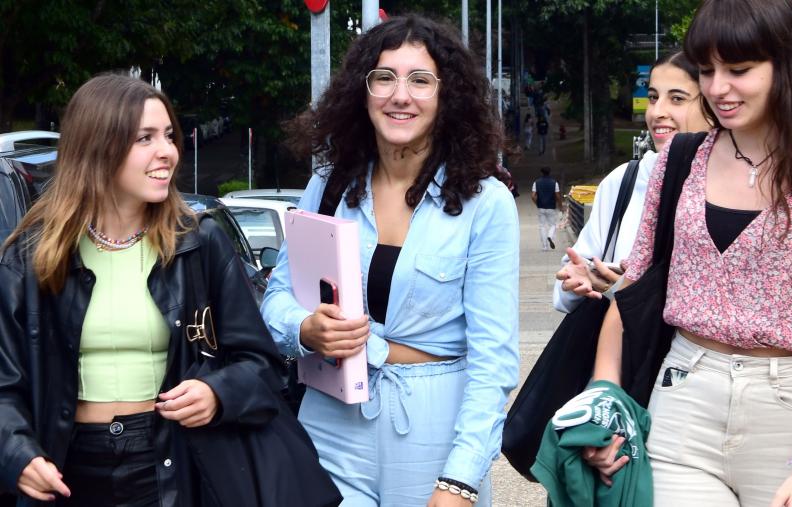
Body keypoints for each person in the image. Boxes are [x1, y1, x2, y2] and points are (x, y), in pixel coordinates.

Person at [583, 1, 792, 506]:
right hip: (684, 397)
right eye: (707, 70)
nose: (718, 88)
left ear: (787, 65)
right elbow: (632, 295)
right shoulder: (680, 161)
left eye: (740, 70)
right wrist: (604, 401)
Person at [262, 15, 519, 506]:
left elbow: (494, 362)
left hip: (433, 426)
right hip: (329, 417)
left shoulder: (485, 202)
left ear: (447, 98)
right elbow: (276, 297)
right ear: (362, 92)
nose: (401, 96)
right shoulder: (329, 184)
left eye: (420, 80)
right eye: (385, 78)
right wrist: (305, 329)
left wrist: (460, 479)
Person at [0, 75, 288, 506]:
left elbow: (263, 365)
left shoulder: (199, 242)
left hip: (172, 466)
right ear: (97, 147)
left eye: (169, 136)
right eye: (145, 138)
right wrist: (16, 454)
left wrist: (217, 393)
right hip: (62, 469)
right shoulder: (32, 255)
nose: (167, 152)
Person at [554, 52, 710, 312]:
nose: (658, 112)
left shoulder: (739, 187)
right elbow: (565, 292)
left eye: (677, 99)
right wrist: (582, 281)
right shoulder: (624, 180)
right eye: (653, 97)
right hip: (621, 349)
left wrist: (626, 291)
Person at [532, 167, 562, 251]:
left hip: (541, 207)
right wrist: (560, 205)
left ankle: (544, 246)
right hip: (551, 207)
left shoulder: (536, 182)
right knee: (552, 225)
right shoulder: (554, 183)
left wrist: (537, 203)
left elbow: (533, 196)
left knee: (542, 226)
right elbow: (557, 196)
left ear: (541, 173)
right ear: (550, 172)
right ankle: (550, 236)